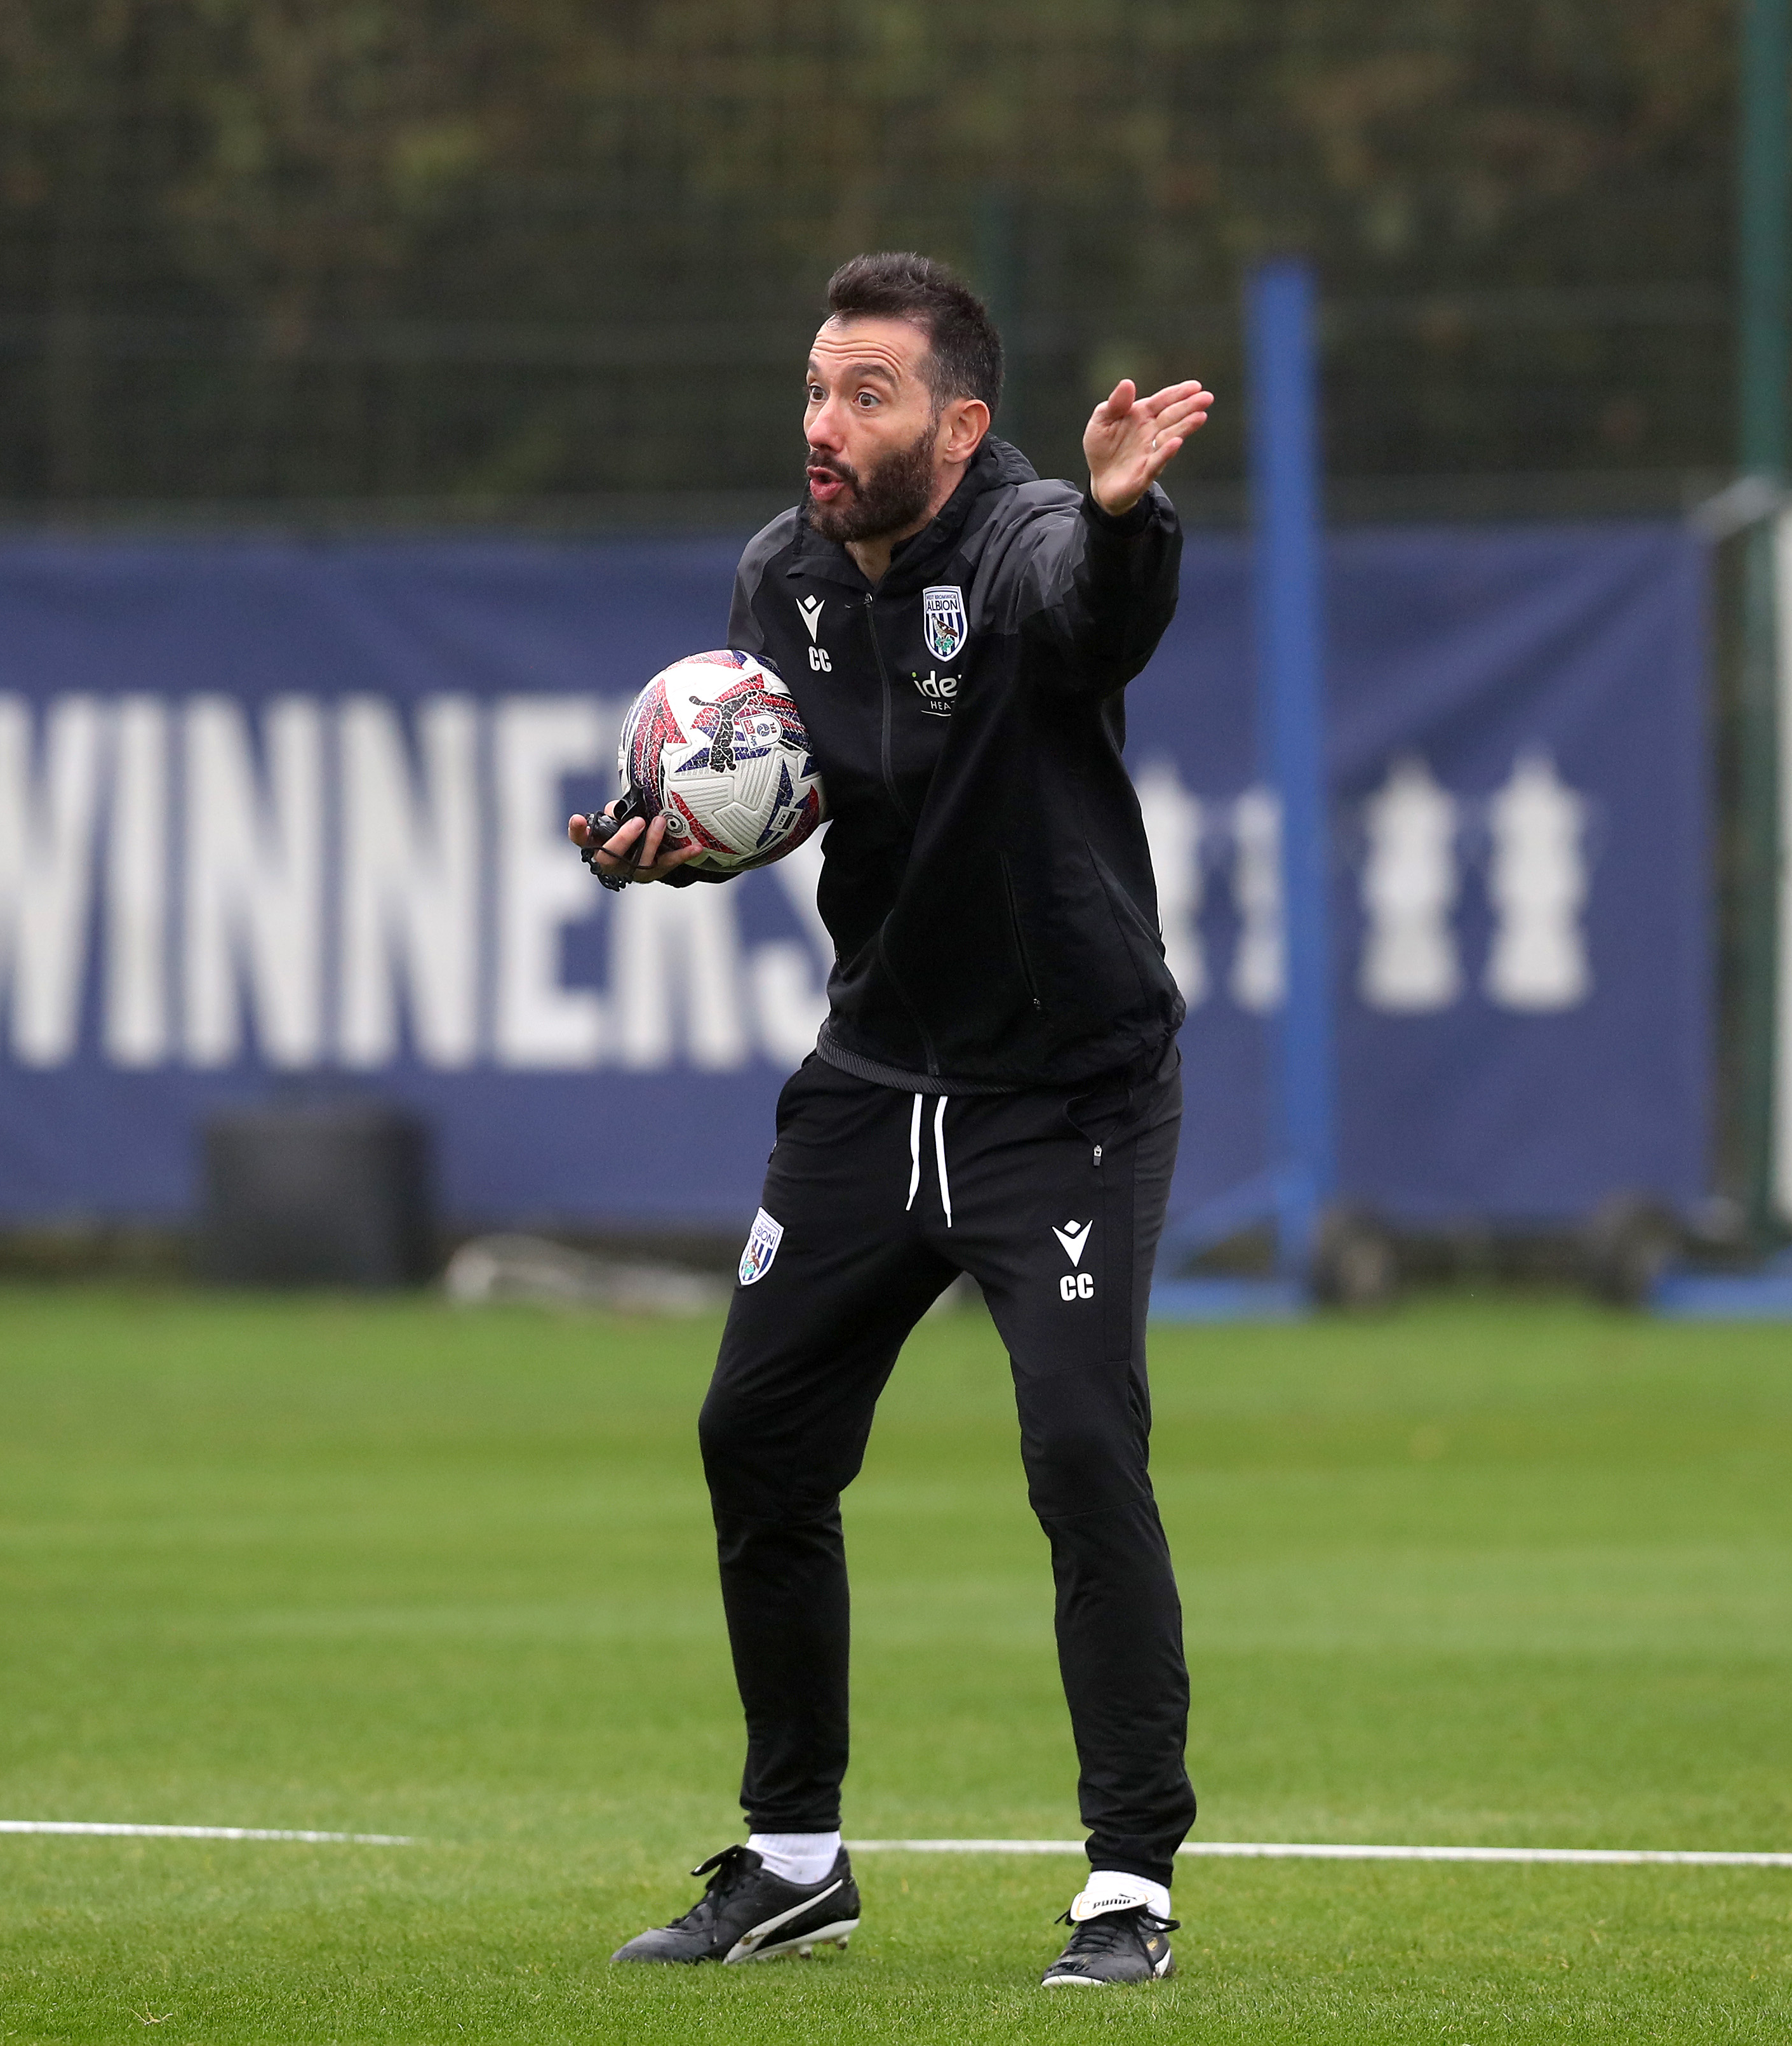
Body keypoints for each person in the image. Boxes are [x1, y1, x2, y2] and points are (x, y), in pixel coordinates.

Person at [573, 251, 1214, 1988]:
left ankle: (1126, 1885)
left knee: (1080, 1454)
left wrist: (1121, 517)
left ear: (961, 423)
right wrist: (673, 842)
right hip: (873, 1083)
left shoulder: (1017, 544)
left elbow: (1089, 611)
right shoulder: (779, 576)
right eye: (810, 388)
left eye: (865, 394)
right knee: (753, 1438)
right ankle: (792, 1859)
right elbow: (796, 791)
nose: (823, 423)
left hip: (1064, 1096)